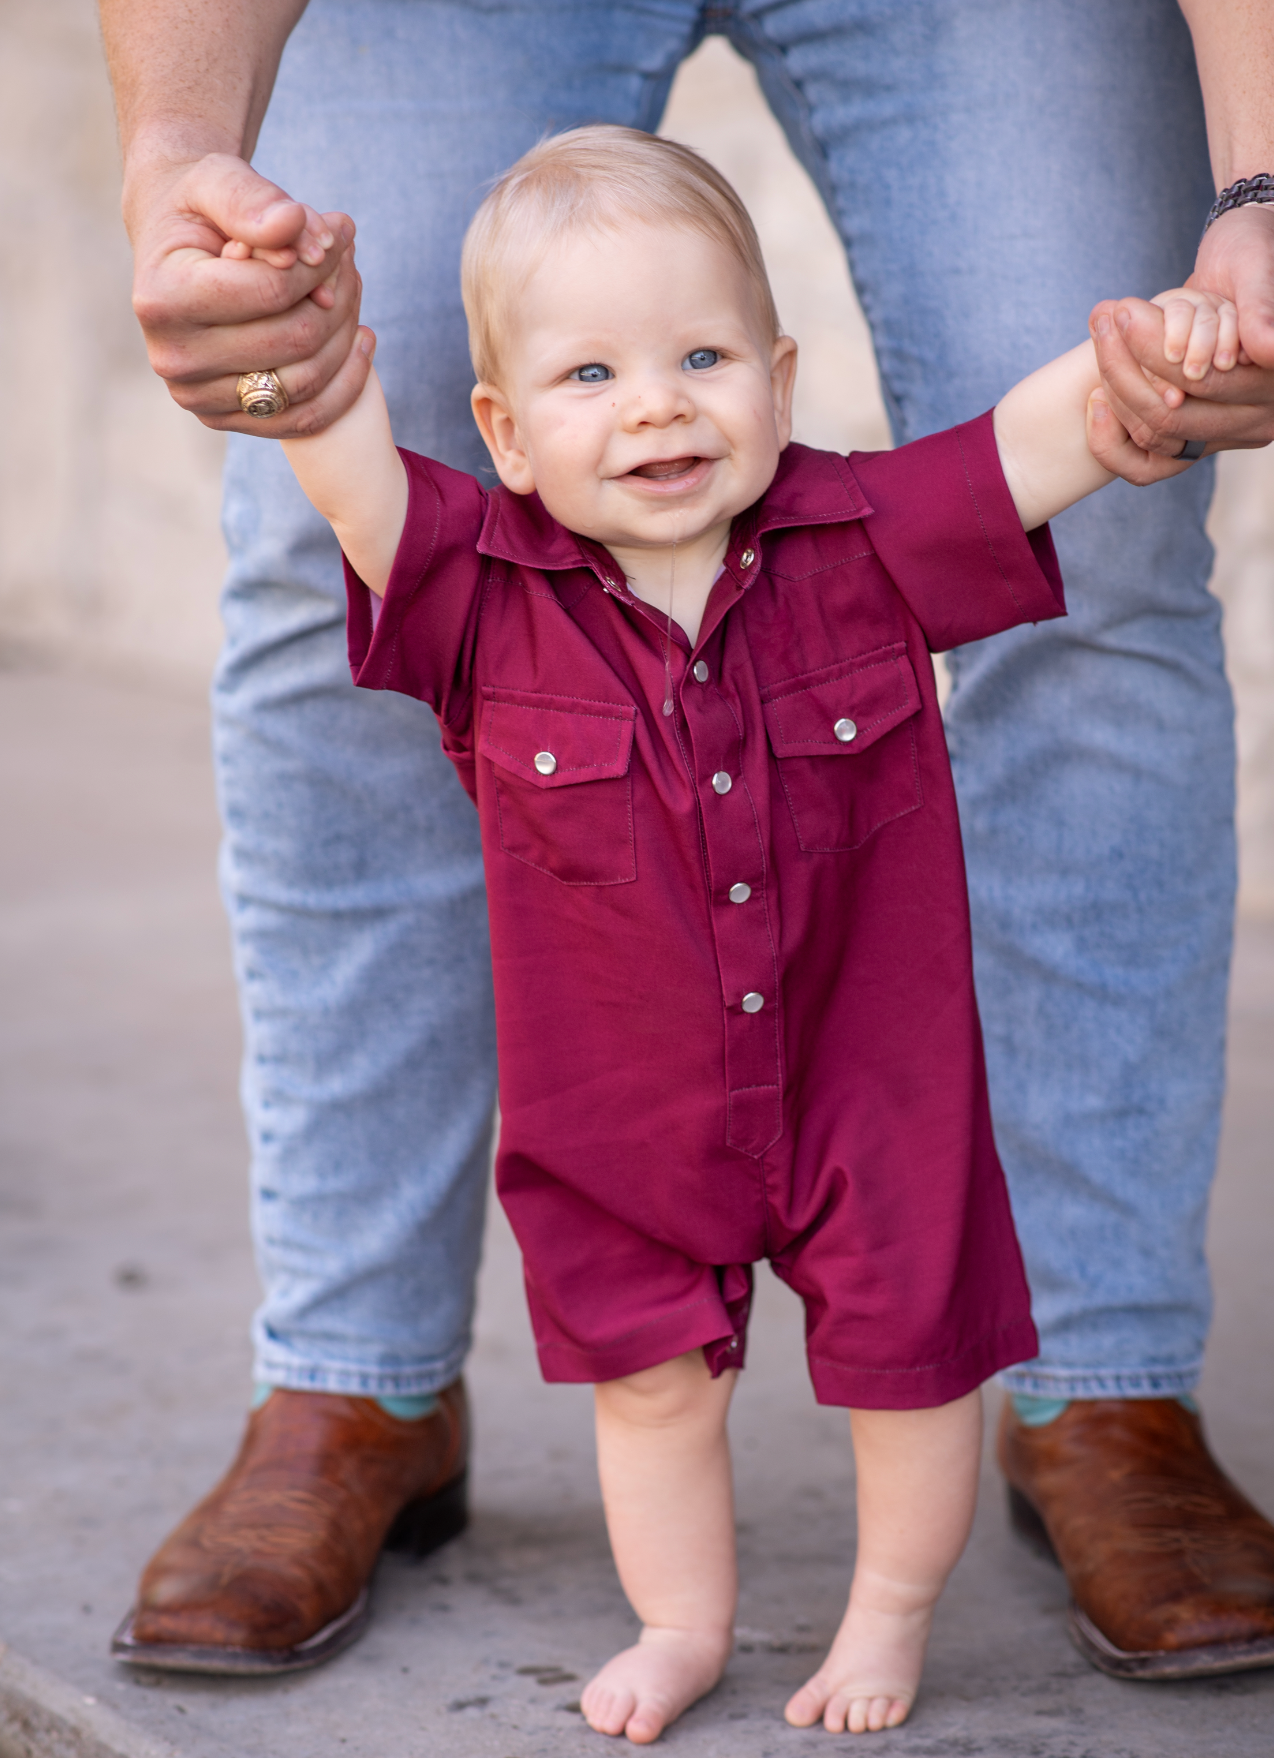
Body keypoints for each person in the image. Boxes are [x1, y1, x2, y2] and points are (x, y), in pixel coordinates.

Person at [100, 0, 1274, 1686]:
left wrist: (1198, 282)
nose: (655, 411)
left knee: (1122, 558)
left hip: (863, 1093)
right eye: (588, 379)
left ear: (780, 387)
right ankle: (356, 1372)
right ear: (508, 441)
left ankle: (1105, 1388)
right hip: (631, 1108)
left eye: (703, 364)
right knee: (311, 588)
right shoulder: (482, 578)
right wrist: (206, 201)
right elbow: (339, 456)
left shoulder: (848, 535)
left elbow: (1059, 433)